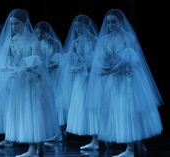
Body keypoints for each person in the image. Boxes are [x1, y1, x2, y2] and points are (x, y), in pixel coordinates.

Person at [86, 9, 163, 157]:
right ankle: (137, 144)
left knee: (129, 112)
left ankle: (130, 149)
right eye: (108, 22)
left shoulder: (128, 37)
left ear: (121, 22)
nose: (110, 25)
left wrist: (114, 68)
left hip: (128, 81)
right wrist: (104, 68)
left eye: (113, 22)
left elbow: (132, 58)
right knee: (119, 112)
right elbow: (100, 61)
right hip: (114, 81)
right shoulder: (105, 40)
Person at [0, 9, 60, 156]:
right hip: (19, 83)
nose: (13, 27)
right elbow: (4, 61)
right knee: (25, 112)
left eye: (16, 24)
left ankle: (34, 147)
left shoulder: (32, 40)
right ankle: (36, 146)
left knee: (33, 112)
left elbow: (38, 61)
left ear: (24, 23)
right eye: (11, 24)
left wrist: (25, 66)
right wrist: (9, 68)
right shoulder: (11, 41)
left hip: (32, 82)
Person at [64, 14, 100, 150]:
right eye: (76, 27)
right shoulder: (76, 42)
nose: (77, 29)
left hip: (93, 78)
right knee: (83, 105)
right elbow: (72, 59)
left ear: (87, 26)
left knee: (93, 106)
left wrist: (85, 67)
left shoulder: (94, 40)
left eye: (80, 27)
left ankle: (99, 138)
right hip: (81, 78)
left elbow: (98, 60)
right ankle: (94, 139)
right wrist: (74, 67)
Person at [34, 21, 64, 142]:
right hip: (42, 76)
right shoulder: (37, 43)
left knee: (56, 103)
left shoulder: (54, 43)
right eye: (38, 32)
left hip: (53, 76)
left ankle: (59, 132)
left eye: (42, 32)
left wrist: (47, 67)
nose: (40, 35)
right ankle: (50, 131)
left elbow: (59, 61)